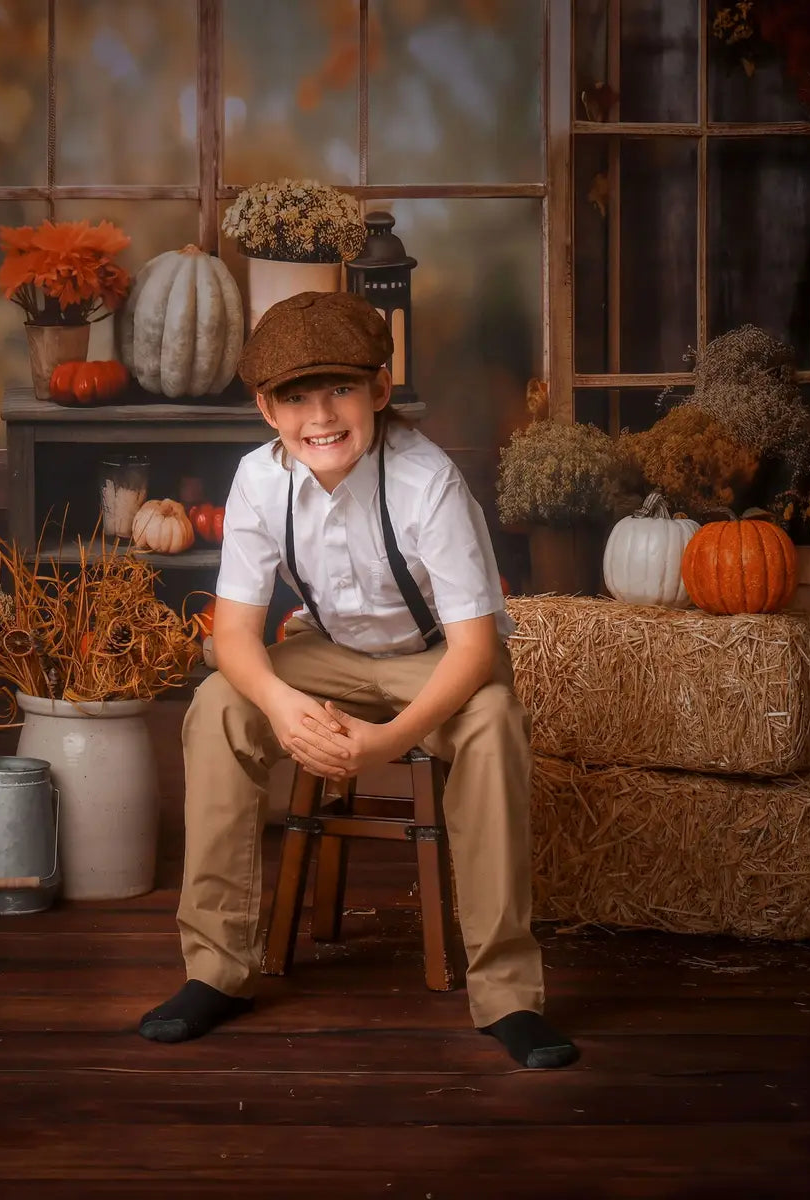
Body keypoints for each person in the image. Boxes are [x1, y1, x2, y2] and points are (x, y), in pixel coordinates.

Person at [138, 291, 578, 1070]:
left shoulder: (425, 480)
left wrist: (385, 742)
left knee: (493, 721)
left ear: (378, 391)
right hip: (329, 653)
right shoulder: (258, 482)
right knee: (217, 707)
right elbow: (233, 636)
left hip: (437, 659)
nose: (321, 416)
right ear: (266, 409)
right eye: (297, 398)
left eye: (339, 389)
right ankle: (216, 971)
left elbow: (476, 650)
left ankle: (507, 993)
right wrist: (279, 703)